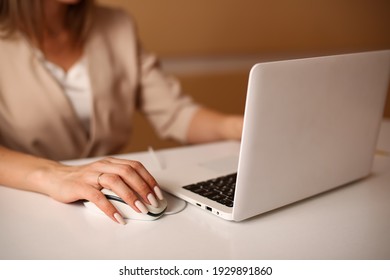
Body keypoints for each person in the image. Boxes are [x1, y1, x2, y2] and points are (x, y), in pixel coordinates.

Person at [0, 0, 243, 225]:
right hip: (27, 208)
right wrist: (57, 175)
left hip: (112, 207)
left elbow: (176, 112)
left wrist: (243, 127)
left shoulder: (117, 24)